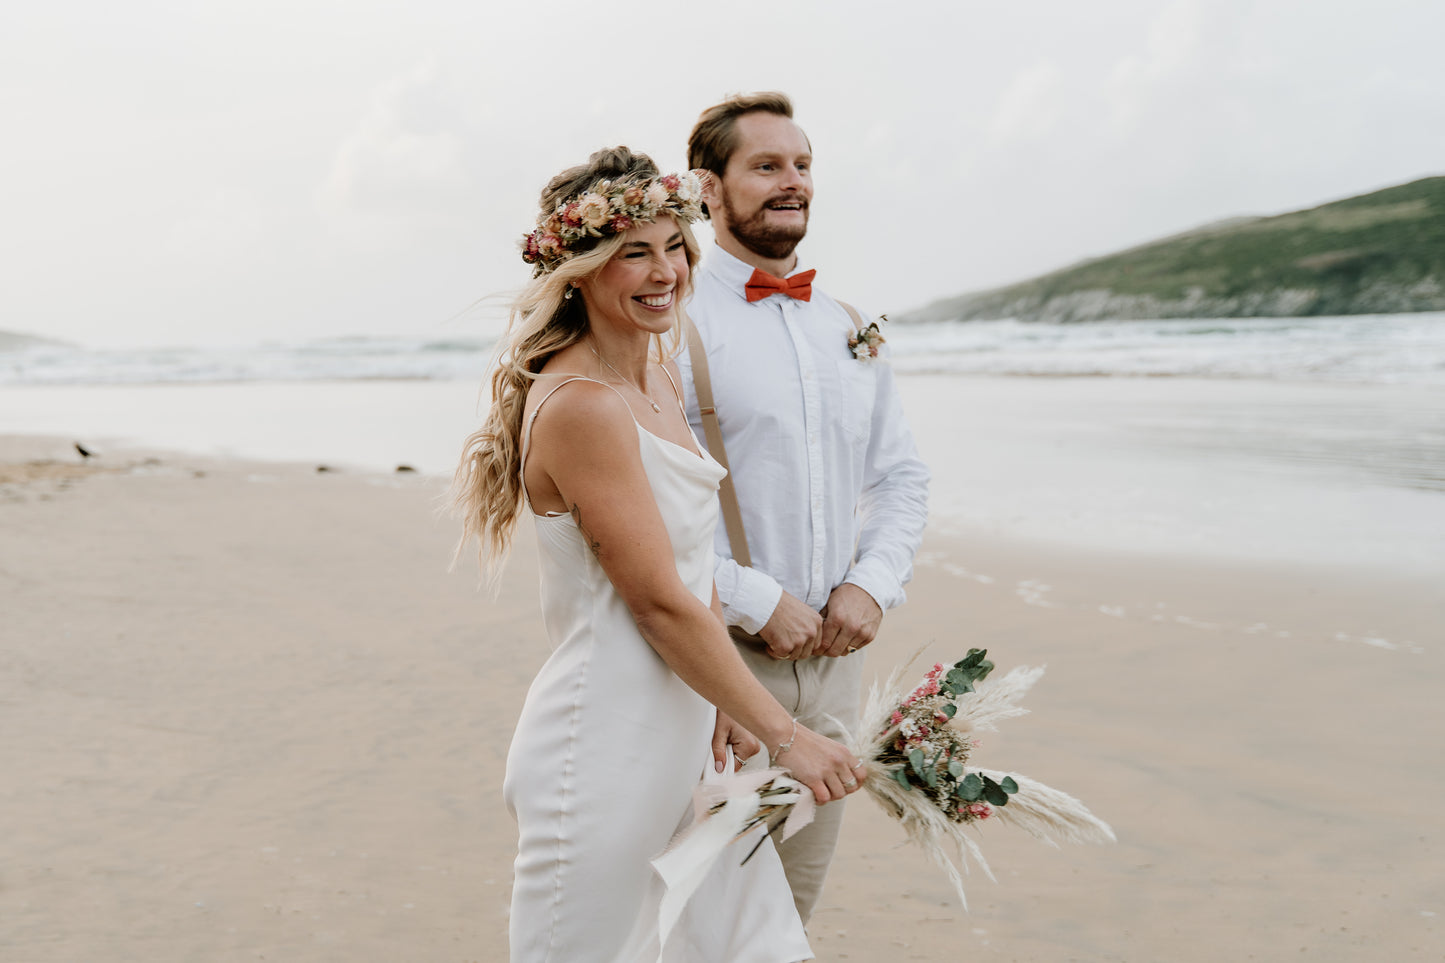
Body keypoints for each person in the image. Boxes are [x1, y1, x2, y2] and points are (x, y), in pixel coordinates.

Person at [451, 146, 868, 962]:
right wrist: (784, 732)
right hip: (602, 744)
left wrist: (720, 705)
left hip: (688, 733)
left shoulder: (661, 378)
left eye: (673, 245)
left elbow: (693, 562)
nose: (663, 271)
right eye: (631, 252)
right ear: (577, 270)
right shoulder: (582, 406)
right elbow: (655, 601)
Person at [679, 93, 930, 924]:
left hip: (834, 664)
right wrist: (753, 599)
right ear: (706, 189)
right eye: (766, 166)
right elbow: (640, 518)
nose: (794, 183)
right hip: (714, 663)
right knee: (700, 898)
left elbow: (899, 477)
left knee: (792, 904)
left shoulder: (848, 326)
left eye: (803, 164)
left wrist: (872, 582)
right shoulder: (670, 328)